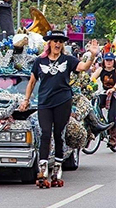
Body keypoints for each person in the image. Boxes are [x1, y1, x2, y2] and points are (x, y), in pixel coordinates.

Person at [19, 30, 99, 188]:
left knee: (59, 135)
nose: (57, 44)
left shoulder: (68, 60)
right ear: (49, 43)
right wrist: (26, 100)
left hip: (63, 102)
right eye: (54, 41)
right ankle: (42, 170)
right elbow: (32, 82)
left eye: (60, 41)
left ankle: (57, 169)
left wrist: (92, 55)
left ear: (63, 44)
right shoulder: (39, 61)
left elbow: (83, 67)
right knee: (45, 133)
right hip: (45, 103)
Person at [91, 52, 116, 150]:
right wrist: (88, 86)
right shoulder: (101, 70)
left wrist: (113, 89)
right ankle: (97, 124)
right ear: (104, 61)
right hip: (104, 93)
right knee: (93, 106)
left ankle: (113, 138)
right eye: (107, 60)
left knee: (112, 116)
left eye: (110, 60)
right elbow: (91, 79)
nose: (109, 62)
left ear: (114, 61)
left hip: (114, 94)